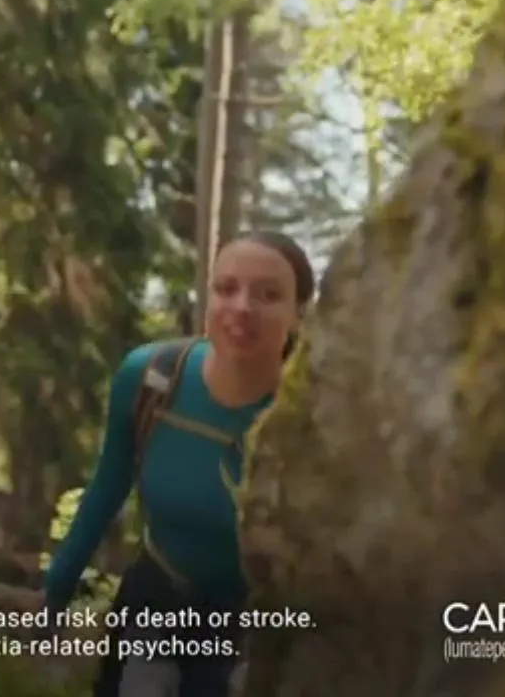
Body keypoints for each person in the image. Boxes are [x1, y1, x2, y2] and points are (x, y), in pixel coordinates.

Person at [44, 231, 315, 696]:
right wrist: (57, 590)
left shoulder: (312, 418)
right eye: (226, 289)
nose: (242, 308)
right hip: (153, 601)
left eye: (268, 295)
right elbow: (108, 487)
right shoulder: (152, 378)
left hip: (248, 631)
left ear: (298, 314)